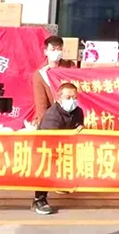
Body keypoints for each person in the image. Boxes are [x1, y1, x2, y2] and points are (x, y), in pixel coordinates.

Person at [32, 82, 84, 215]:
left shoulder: (78, 112)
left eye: (74, 97)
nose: (72, 101)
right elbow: (51, 139)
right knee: (45, 169)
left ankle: (62, 184)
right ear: (59, 98)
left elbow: (79, 127)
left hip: (65, 147)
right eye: (68, 98)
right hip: (46, 148)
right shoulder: (52, 115)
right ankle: (39, 200)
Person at [32, 35, 76, 126]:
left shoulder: (70, 67)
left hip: (73, 114)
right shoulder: (41, 74)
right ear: (46, 52)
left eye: (59, 49)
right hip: (53, 117)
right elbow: (41, 105)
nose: (56, 52)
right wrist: (44, 124)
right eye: (53, 49)